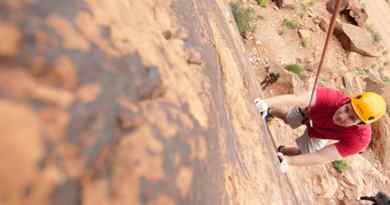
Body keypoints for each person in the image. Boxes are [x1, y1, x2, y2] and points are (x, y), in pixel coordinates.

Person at [254, 86, 387, 172]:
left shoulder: (359, 139)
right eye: (346, 109)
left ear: (360, 124)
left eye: (352, 118)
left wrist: (288, 161)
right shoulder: (331, 98)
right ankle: (270, 111)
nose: (342, 116)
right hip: (310, 113)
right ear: (347, 101)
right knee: (289, 118)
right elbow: (296, 99)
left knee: (305, 154)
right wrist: (266, 102)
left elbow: (321, 156)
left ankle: (281, 151)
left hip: (321, 133)